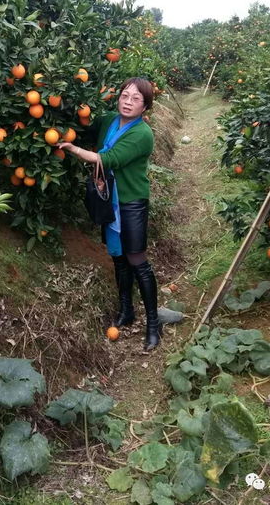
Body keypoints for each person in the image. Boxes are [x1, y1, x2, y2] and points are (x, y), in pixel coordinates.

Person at [56, 77, 162, 351]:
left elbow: (108, 159)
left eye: (135, 99)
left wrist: (73, 149)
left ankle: (153, 323)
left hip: (131, 202)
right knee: (118, 258)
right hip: (109, 200)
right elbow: (87, 128)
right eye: (125, 96)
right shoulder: (108, 121)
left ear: (145, 106)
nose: (128, 102)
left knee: (137, 259)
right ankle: (127, 311)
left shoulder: (142, 135)